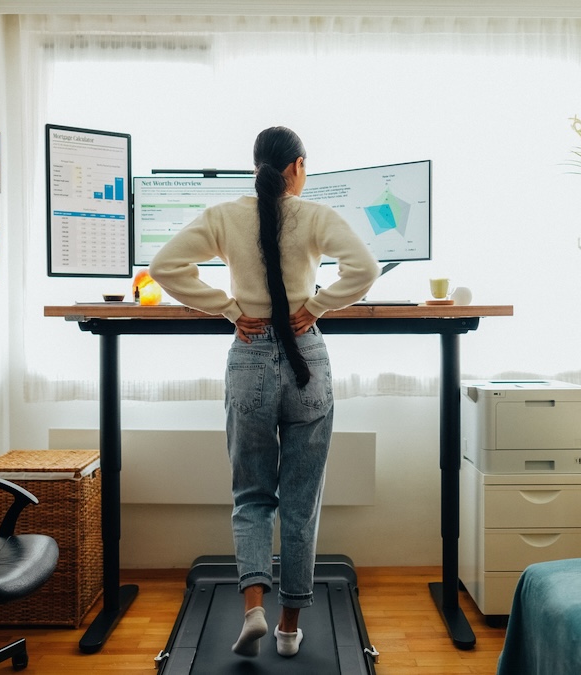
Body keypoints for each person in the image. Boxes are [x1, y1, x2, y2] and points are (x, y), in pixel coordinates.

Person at [149, 126, 379, 658]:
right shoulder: (316, 215)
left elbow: (164, 266)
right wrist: (316, 306)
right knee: (301, 505)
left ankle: (253, 607)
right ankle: (289, 630)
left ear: (257, 168)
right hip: (307, 362)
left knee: (252, 497)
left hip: (249, 358)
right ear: (297, 166)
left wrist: (229, 308)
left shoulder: (225, 216)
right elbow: (363, 270)